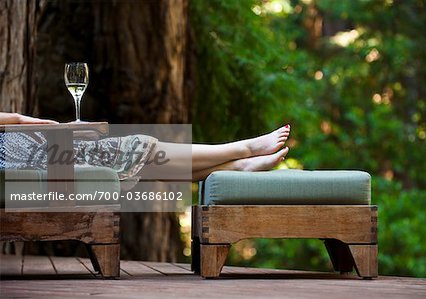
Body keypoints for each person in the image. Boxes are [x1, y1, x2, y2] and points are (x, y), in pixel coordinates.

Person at [0, 112, 289, 182]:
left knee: (141, 162)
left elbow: (11, 118)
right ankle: (243, 150)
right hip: (23, 156)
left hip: (30, 143)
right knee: (135, 149)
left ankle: (239, 166)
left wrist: (47, 125)